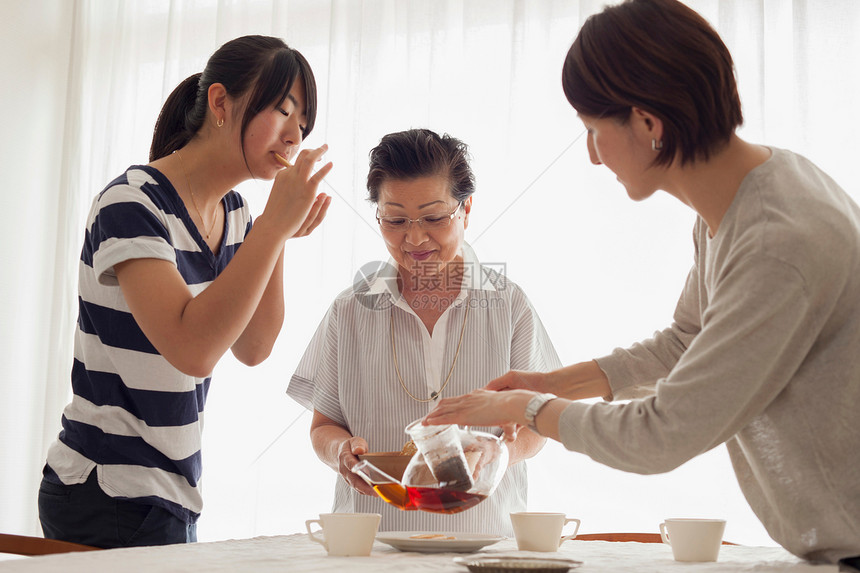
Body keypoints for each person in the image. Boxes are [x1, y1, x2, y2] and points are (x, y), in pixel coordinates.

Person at [422, 0, 860, 563]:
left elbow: (662, 435)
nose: (592, 155)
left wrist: (528, 410)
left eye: (593, 130)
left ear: (648, 124)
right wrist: (554, 383)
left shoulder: (779, 241)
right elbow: (689, 341)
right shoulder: (741, 203)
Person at [39, 35, 333, 548]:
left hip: (172, 493)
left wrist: (275, 231)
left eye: (303, 126)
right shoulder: (130, 202)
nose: (294, 137)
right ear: (220, 103)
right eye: (284, 112)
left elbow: (253, 347)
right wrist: (272, 230)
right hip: (104, 488)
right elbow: (192, 348)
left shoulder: (237, 214)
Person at [288, 128, 561, 536]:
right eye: (395, 220)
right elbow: (324, 425)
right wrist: (341, 453)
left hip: (482, 542)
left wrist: (495, 452)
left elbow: (539, 426)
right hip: (372, 547)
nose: (414, 238)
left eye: (434, 218)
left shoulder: (509, 304)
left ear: (466, 208)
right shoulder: (350, 309)